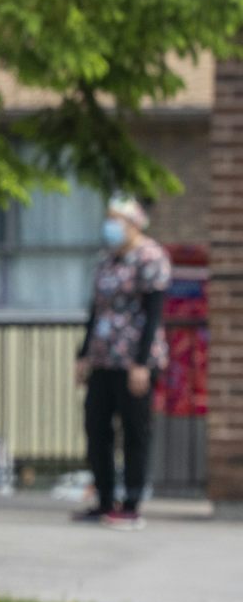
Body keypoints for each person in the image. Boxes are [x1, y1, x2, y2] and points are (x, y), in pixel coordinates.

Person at [76, 195, 171, 530]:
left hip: (134, 360)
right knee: (96, 426)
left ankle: (131, 503)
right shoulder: (107, 260)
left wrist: (142, 364)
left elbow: (153, 314)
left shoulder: (150, 257)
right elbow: (94, 310)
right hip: (103, 357)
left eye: (117, 219)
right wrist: (82, 354)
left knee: (134, 431)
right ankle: (104, 498)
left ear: (134, 223)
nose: (111, 226)